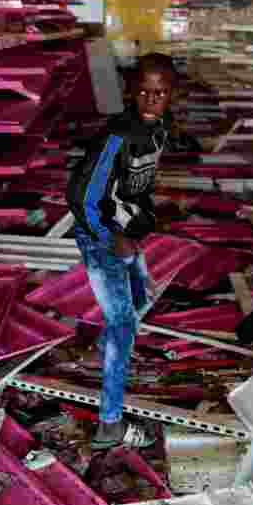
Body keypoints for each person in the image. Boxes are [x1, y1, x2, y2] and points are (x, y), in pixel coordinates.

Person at [66, 53, 176, 450]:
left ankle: (108, 349)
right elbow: (81, 195)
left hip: (124, 232)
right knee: (124, 323)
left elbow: (137, 184)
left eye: (160, 92)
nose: (151, 98)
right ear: (132, 91)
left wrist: (142, 218)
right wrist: (110, 234)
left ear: (169, 96)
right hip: (101, 239)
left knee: (142, 296)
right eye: (144, 91)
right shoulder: (118, 135)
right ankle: (109, 423)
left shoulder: (159, 130)